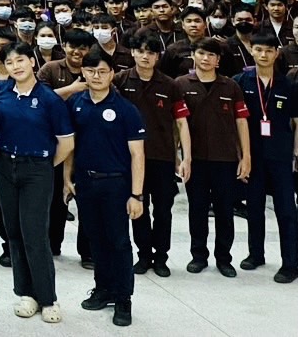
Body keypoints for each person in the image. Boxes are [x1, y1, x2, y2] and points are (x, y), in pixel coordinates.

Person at [0, 42, 73, 323]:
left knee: (35, 234)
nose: (16, 66)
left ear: (32, 62)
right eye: (10, 63)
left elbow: (66, 143)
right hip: (3, 167)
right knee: (13, 231)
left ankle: (47, 298)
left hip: (37, 169)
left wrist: (44, 165)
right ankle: (25, 293)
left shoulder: (49, 99)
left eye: (20, 60)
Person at [64, 46, 144, 328]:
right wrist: (67, 178)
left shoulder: (126, 109)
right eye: (90, 71)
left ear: (112, 74)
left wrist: (136, 195)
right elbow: (70, 144)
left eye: (102, 71)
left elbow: (137, 154)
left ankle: (123, 298)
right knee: (95, 240)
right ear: (82, 73)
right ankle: (103, 288)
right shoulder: (76, 103)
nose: (96, 76)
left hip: (116, 184)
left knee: (118, 242)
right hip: (86, 183)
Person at [115, 30, 190, 277]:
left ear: (158, 56)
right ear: (132, 53)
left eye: (150, 52)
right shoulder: (120, 80)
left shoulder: (170, 85)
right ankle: (144, 255)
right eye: (140, 51)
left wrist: (184, 157)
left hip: (162, 156)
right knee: (138, 207)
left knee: (163, 210)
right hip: (131, 158)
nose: (145, 56)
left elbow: (181, 123)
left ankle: (161, 257)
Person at [176, 36, 251, 276]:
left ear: (218, 60)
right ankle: (198, 256)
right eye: (201, 53)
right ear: (193, 56)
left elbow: (241, 122)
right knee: (197, 209)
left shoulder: (231, 86)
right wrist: (180, 158)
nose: (206, 59)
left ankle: (224, 258)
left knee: (225, 211)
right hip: (196, 159)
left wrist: (246, 157)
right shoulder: (180, 85)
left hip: (225, 159)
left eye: (211, 55)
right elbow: (177, 124)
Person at [234, 32, 298, 281]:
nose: (263, 55)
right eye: (259, 50)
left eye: (269, 50)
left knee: (286, 210)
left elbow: (296, 122)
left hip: (281, 156)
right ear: (251, 51)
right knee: (254, 207)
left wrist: (296, 153)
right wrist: (241, 155)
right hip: (253, 155)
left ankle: (290, 263)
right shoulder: (240, 82)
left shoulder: (287, 85)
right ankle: (255, 254)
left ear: (276, 53)